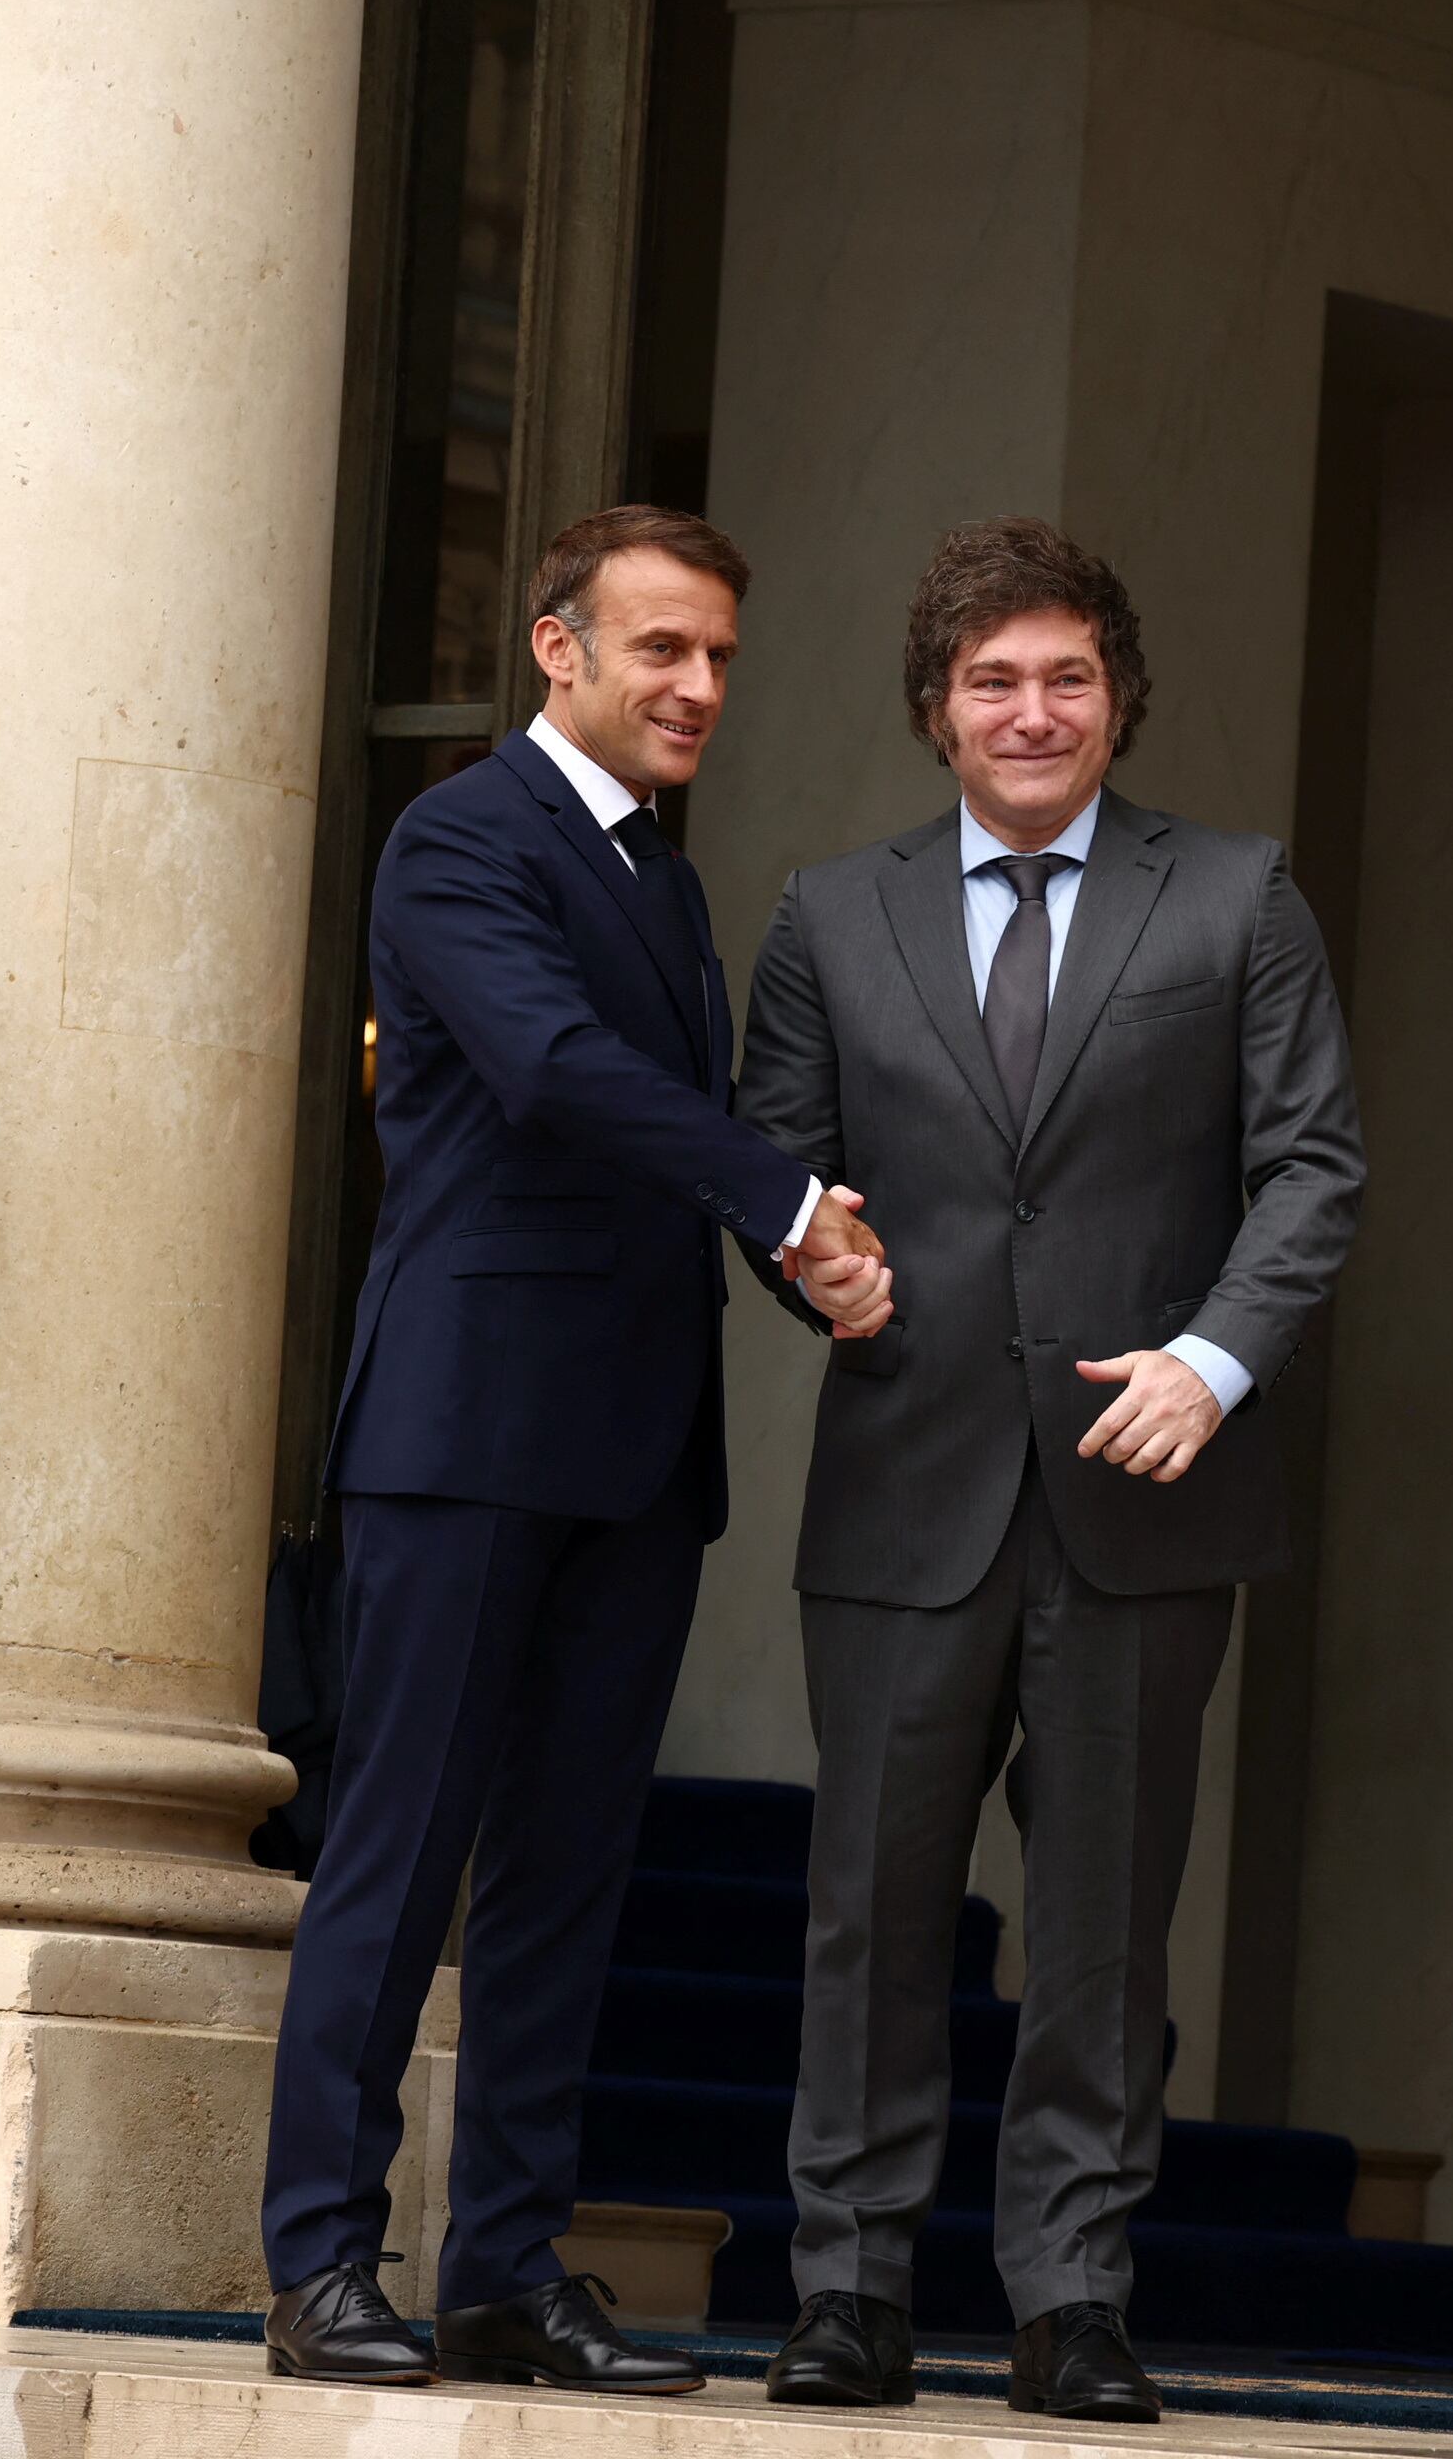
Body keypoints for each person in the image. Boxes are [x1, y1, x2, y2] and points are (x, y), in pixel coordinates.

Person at [734, 519, 1365, 2425]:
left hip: (1143, 1490)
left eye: (1065, 676)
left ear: (1117, 697)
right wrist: (802, 1256)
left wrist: (1213, 1358)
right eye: (991, 680)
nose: (1030, 711)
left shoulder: (1236, 898)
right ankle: (842, 2288)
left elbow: (1311, 1166)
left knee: (1101, 1918)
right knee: (869, 1906)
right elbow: (771, 1166)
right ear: (933, 709)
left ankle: (1069, 2296)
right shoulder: (828, 917)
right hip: (904, 1479)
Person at [256, 506, 888, 2395]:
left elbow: (657, 1149)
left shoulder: (662, 883)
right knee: (399, 1848)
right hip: (461, 1435)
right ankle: (317, 2263)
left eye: (715, 660)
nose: (696, 689)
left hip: (627, 1448)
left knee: (566, 1876)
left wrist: (822, 1270)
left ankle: (505, 2270)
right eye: (659, 653)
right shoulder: (460, 836)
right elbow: (546, 1070)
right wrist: (786, 1200)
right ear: (557, 650)